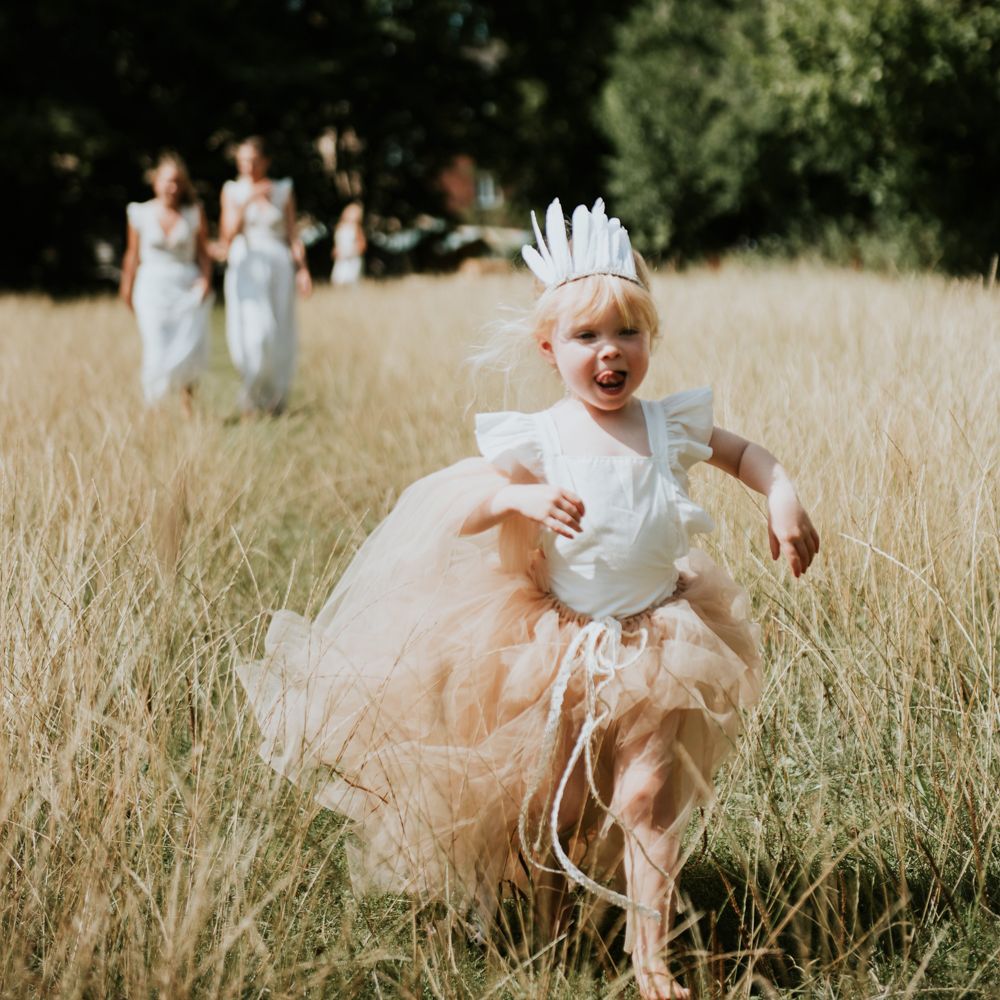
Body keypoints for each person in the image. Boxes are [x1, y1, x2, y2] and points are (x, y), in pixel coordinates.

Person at [237, 199, 819, 999]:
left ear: (650, 338)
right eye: (587, 336)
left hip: (660, 634)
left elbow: (746, 453)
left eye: (628, 332)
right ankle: (551, 918)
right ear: (550, 349)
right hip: (557, 638)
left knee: (646, 797)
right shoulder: (540, 437)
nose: (610, 351)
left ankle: (652, 958)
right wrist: (519, 499)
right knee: (564, 802)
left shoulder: (667, 425)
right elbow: (461, 508)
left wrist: (781, 495)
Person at [220, 136, 311, 416]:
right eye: (243, 161)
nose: (248, 166)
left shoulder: (283, 190)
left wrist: (303, 270)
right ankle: (251, 395)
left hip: (279, 266)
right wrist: (247, 201)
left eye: (254, 160)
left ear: (266, 161)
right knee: (256, 332)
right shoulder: (232, 191)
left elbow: (292, 236)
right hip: (247, 265)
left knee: (280, 331)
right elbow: (228, 234)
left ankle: (275, 399)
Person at [119, 153, 213, 413]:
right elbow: (132, 254)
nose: (172, 187)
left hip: (186, 286)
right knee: (156, 345)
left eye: (177, 182)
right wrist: (126, 287)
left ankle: (187, 406)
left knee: (187, 345)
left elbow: (203, 253)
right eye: (167, 181)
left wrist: (206, 281)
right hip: (151, 287)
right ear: (155, 182)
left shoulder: (193, 213)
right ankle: (155, 406)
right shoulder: (140, 213)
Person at [331, 201, 366, 286]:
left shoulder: (357, 228)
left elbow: (362, 245)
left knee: (351, 280)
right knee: (338, 279)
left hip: (352, 259)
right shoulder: (340, 227)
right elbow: (337, 243)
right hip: (341, 259)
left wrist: (352, 252)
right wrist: (335, 251)